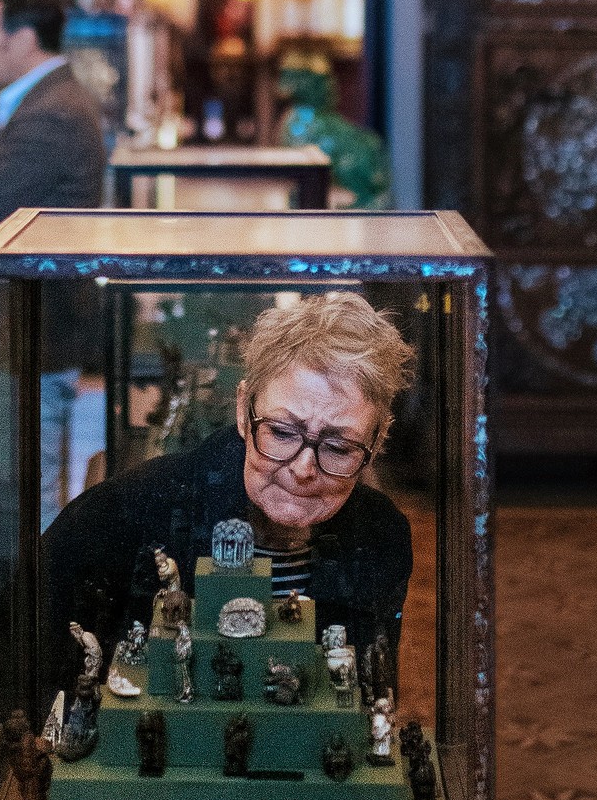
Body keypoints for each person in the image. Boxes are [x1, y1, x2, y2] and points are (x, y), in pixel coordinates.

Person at [40, 292, 414, 704]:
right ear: (242, 410)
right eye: (282, 432)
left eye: (339, 448)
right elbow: (10, 676)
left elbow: (369, 690)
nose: (304, 468)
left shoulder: (381, 535)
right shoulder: (126, 512)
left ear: (377, 442)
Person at [0, 0, 106, 516]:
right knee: (22, 488)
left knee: (27, 499)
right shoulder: (47, 101)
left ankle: (34, 600)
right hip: (29, 329)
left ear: (24, 39)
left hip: (34, 329)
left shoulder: (50, 112)